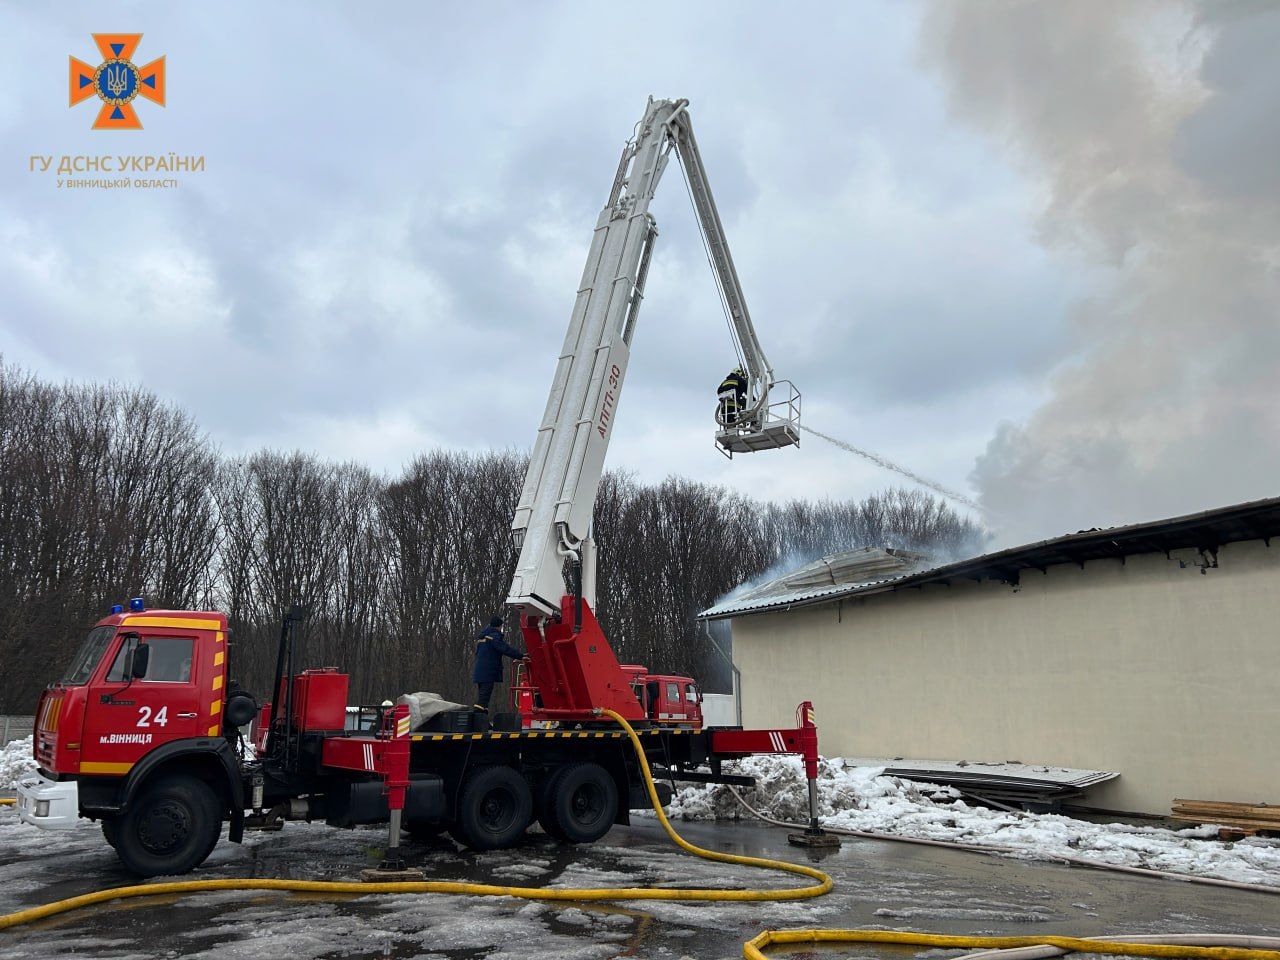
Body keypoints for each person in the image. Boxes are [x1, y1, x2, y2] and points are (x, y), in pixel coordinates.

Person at [473, 616, 523, 711]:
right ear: (499, 626)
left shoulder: (482, 637)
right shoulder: (493, 637)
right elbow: (505, 649)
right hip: (488, 672)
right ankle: (477, 718)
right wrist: (521, 656)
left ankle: (483, 720)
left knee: (483, 697)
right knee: (483, 699)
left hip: (480, 672)